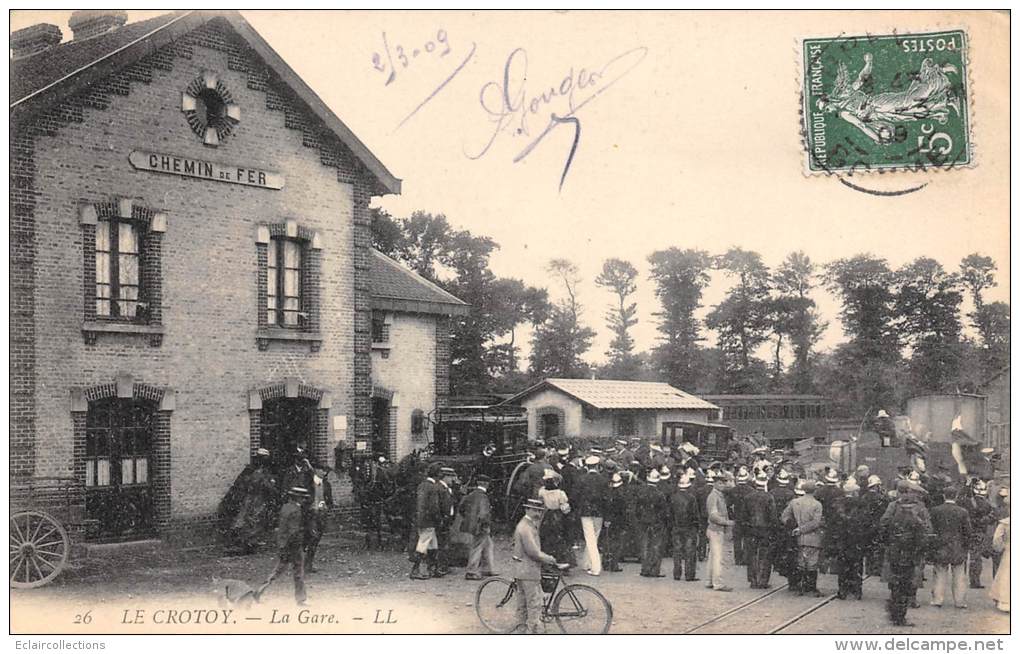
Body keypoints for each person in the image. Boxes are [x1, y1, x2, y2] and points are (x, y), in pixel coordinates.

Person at [880, 480, 933, 627]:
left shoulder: (893, 506)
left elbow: (883, 523)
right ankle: (901, 614)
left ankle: (894, 610)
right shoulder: (920, 509)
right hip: (912, 551)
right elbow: (928, 530)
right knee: (909, 581)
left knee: (895, 581)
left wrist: (889, 541)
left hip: (895, 549)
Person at [512, 498, 566, 634]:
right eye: (534, 510)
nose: (538, 513)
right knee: (534, 604)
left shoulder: (528, 524)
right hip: (528, 570)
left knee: (523, 603)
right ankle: (534, 632)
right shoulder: (525, 527)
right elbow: (533, 552)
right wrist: (550, 559)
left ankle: (522, 629)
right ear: (527, 510)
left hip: (522, 569)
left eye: (540, 511)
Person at [256, 486, 309, 605]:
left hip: (283, 543)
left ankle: (259, 591)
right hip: (293, 546)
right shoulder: (296, 510)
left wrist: (283, 546)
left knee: (277, 571)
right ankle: (301, 599)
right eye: (303, 498)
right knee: (298, 573)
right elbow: (293, 531)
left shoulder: (285, 507)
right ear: (299, 498)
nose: (304, 500)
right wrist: (298, 544)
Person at [929, 485, 972, 609]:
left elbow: (932, 529)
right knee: (959, 575)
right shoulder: (963, 512)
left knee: (939, 573)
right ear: (956, 496)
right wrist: (966, 546)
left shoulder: (935, 510)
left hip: (940, 546)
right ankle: (959, 601)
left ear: (944, 495)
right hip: (957, 546)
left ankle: (937, 599)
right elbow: (967, 532)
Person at [229, 448, 278, 554]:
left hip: (255, 498)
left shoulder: (258, 470)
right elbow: (260, 484)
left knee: (253, 519)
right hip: (254, 498)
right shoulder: (254, 471)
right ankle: (247, 542)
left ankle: (250, 542)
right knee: (251, 519)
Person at [781, 480, 825, 597]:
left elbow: (784, 516)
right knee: (812, 562)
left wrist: (794, 527)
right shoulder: (817, 504)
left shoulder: (794, 502)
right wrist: (803, 529)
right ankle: (810, 587)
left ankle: (800, 585)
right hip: (813, 537)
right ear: (815, 491)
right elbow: (816, 522)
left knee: (801, 561)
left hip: (798, 537)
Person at [573, 456, 608, 576]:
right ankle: (587, 563)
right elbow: (607, 498)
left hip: (585, 512)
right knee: (595, 538)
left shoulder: (581, 479)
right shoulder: (603, 480)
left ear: (587, 466)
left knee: (589, 538)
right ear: (598, 466)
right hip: (599, 512)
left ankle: (595, 567)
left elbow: (575, 496)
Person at [410, 464, 444, 580]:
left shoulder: (422, 485)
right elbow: (434, 507)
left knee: (432, 544)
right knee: (423, 543)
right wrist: (439, 519)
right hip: (429, 520)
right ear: (437, 474)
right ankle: (415, 569)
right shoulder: (432, 487)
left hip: (420, 519)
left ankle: (432, 568)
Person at [459, 474, 496, 580]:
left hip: (474, 525)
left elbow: (461, 508)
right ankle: (471, 571)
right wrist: (486, 524)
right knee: (477, 547)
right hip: (481, 526)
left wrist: (469, 519)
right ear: (486, 484)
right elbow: (484, 514)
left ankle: (487, 569)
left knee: (488, 545)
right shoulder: (484, 497)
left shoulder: (471, 495)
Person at [833, 478, 865, 600]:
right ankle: (857, 590)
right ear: (853, 492)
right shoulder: (860, 504)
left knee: (842, 565)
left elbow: (834, 522)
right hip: (857, 539)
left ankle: (842, 590)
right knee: (856, 565)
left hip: (842, 539)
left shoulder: (838, 504)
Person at [744, 472, 777, 589]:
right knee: (765, 555)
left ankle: (753, 580)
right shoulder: (769, 497)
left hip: (751, 528)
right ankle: (763, 580)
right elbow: (773, 516)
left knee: (752, 554)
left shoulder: (748, 497)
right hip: (765, 530)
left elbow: (744, 514)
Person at [963, 480, 996, 589]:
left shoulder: (967, 502)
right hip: (980, 532)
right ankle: (975, 580)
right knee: (976, 558)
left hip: (967, 531)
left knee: (969, 557)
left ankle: (970, 578)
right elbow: (992, 518)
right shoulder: (987, 504)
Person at [769, 469, 798, 592]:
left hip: (775, 523)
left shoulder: (772, 492)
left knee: (776, 546)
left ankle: (777, 564)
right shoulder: (791, 494)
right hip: (787, 525)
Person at [705, 471, 735, 592]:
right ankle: (718, 583)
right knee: (718, 557)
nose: (724, 485)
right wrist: (727, 522)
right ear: (716, 483)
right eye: (721, 483)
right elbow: (713, 516)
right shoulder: (714, 496)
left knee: (713, 557)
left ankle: (710, 581)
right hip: (716, 530)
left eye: (724, 482)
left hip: (714, 529)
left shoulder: (718, 495)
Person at [537, 468, 572, 569]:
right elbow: (565, 508)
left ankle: (546, 561)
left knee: (546, 538)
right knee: (559, 538)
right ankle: (561, 560)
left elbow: (541, 503)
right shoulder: (560, 493)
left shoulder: (542, 491)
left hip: (546, 515)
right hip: (558, 516)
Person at [669, 471, 701, 581]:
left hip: (676, 527)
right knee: (690, 551)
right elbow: (695, 514)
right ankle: (689, 574)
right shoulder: (691, 498)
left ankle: (677, 573)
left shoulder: (673, 497)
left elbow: (670, 513)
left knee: (677, 551)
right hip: (689, 527)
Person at [637, 469, 668, 577]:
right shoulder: (660, 494)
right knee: (656, 546)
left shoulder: (641, 492)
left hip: (644, 522)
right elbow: (664, 512)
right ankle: (654, 570)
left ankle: (644, 569)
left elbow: (637, 508)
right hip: (656, 523)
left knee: (645, 545)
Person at [304, 463, 334, 573]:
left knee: (316, 538)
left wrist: (326, 508)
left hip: (321, 514)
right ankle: (304, 562)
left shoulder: (327, 485)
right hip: (311, 513)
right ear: (316, 470)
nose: (325, 473)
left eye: (326, 471)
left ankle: (309, 563)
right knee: (311, 536)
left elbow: (330, 501)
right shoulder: (308, 483)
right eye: (322, 470)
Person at [860, 475, 889, 576]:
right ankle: (876, 569)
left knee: (868, 548)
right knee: (878, 547)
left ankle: (869, 568)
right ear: (877, 486)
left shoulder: (864, 497)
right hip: (878, 524)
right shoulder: (882, 498)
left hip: (866, 525)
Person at [603, 472, 628, 572]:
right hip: (618, 521)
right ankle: (614, 565)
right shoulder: (622, 494)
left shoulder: (609, 493)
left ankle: (606, 562)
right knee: (616, 544)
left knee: (608, 542)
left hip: (609, 520)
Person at [435, 466, 458, 576]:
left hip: (447, 519)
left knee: (445, 542)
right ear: (445, 477)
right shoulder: (440, 488)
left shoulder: (447, 488)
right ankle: (440, 567)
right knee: (441, 543)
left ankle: (444, 566)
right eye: (451, 477)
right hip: (442, 520)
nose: (453, 479)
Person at [729, 467, 752, 567]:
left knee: (737, 540)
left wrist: (732, 516)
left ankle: (737, 559)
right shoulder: (751, 490)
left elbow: (728, 504)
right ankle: (746, 558)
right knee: (747, 538)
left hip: (737, 517)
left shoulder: (733, 490)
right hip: (748, 518)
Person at [990, 517, 1010, 612]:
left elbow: (997, 539)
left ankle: (1005, 601)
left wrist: (1001, 547)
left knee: (1006, 575)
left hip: (1009, 552)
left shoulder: (1005, 523)